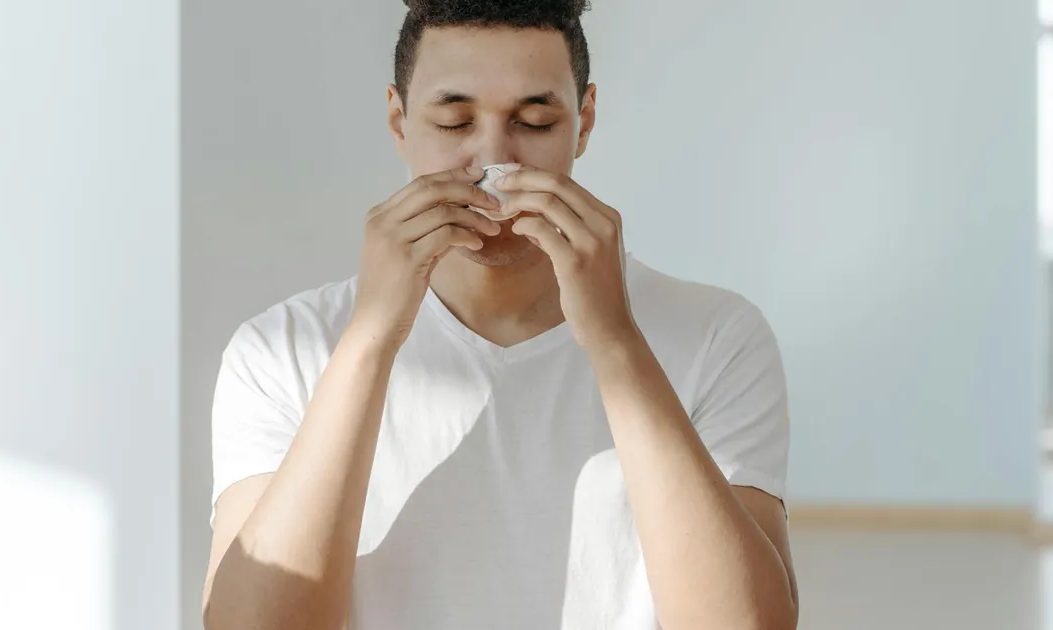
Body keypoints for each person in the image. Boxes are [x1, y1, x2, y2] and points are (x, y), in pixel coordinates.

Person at [202, 0, 798, 628]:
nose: (493, 160)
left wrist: (614, 340)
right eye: (454, 121)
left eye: (535, 121)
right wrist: (371, 340)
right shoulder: (283, 349)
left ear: (584, 121)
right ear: (399, 122)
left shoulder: (717, 338)